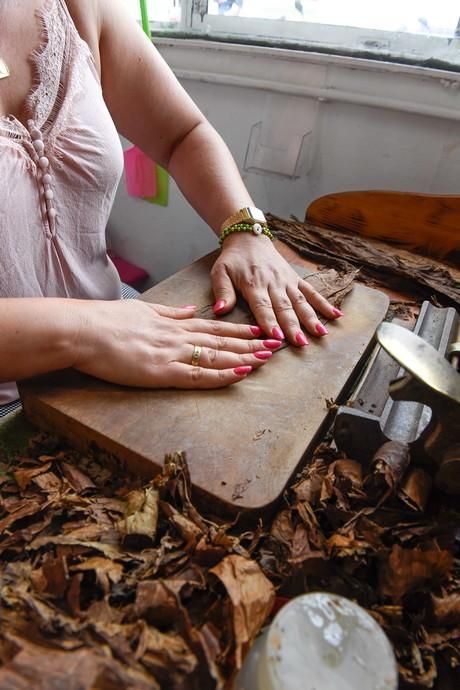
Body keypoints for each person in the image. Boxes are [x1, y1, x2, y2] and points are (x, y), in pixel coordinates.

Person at [0, 0, 342, 412]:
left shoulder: (76, 7)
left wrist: (246, 231)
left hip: (117, 329)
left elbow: (183, 135)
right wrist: (84, 332)